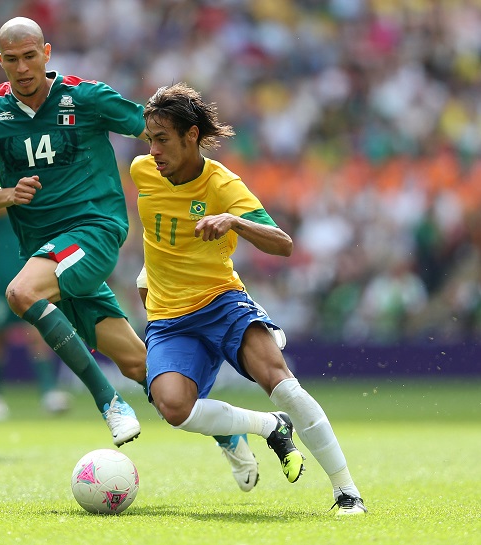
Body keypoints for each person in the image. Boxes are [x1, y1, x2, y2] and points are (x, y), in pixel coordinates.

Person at [130, 82, 367, 515]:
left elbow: (283, 244)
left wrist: (234, 221)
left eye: (162, 139)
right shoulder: (142, 171)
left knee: (283, 385)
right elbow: (158, 235)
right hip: (168, 317)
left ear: (192, 136)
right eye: (149, 140)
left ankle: (347, 492)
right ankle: (267, 427)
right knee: (173, 407)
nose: (154, 151)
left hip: (221, 302)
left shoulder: (222, 183)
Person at [0, 16, 149, 447]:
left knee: (21, 293)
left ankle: (109, 403)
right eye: (12, 59)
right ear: (0, 61)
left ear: (46, 54)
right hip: (46, 252)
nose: (23, 67)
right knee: (141, 366)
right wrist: (9, 194)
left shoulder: (85, 97)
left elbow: (151, 128)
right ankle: (237, 432)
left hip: (93, 230)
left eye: (30, 56)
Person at [0, 213, 71, 419]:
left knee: (38, 331)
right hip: (1, 278)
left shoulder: (33, 198)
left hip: (30, 274)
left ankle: (49, 392)